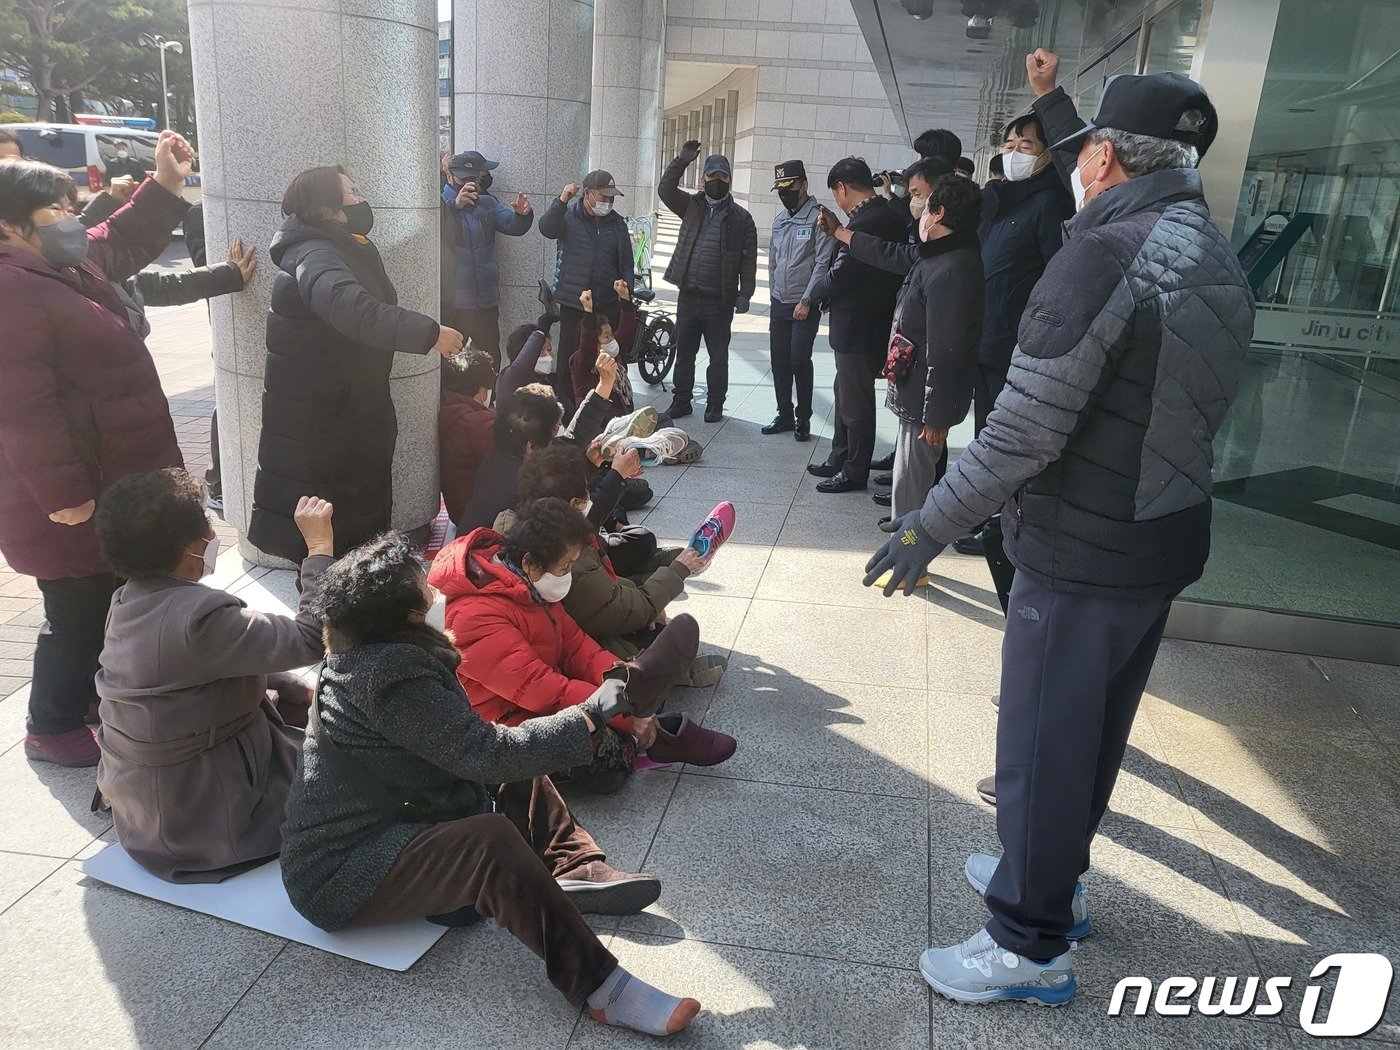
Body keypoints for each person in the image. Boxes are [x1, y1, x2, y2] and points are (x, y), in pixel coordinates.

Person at [866, 60, 1251, 1006]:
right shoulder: (1213, 249)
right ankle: (1051, 883)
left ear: (1108, 157)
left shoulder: (1102, 255)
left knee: (1041, 745)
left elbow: (1024, 430)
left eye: (1081, 153)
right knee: (1092, 733)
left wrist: (928, 524)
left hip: (1084, 544)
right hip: (1160, 539)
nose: (1072, 167)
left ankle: (1026, 943)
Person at [279, 533, 701, 1037]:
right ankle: (600, 987)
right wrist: (587, 716)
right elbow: (487, 755)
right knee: (491, 837)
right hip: (338, 873)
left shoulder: (374, 653)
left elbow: (480, 750)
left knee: (523, 761)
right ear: (405, 616)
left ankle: (575, 867)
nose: (436, 595)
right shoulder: (390, 678)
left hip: (401, 815)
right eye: (425, 591)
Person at [0, 136, 194, 768]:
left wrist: (164, 184)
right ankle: (50, 726)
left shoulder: (55, 265)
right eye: (56, 207)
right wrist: (65, 497)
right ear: (10, 223)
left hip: (109, 479)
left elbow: (116, 239)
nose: (72, 216)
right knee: (75, 606)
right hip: (69, 491)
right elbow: (23, 409)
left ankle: (87, 699)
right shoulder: (11, 290)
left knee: (103, 596)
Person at [93, 471, 331, 881]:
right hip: (202, 822)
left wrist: (288, 683)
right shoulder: (201, 617)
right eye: (206, 525)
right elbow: (313, 637)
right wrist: (320, 548)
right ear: (188, 549)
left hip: (144, 811)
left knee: (291, 700)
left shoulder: (127, 599)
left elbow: (198, 664)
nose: (212, 535)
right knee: (357, 766)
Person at [249, 165, 464, 562]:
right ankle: (327, 617)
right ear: (329, 207)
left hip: (345, 416)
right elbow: (354, 310)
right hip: (324, 430)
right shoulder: (317, 254)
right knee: (329, 549)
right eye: (351, 190)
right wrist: (431, 335)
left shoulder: (340, 245)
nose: (360, 196)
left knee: (351, 545)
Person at [431, 498, 713, 790]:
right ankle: (652, 731)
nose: (567, 575)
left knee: (631, 699)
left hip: (548, 695)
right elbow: (541, 689)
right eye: (564, 567)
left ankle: (643, 708)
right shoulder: (474, 617)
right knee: (609, 759)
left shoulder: (529, 586)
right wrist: (623, 715)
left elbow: (576, 646)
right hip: (506, 728)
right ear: (530, 562)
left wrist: (623, 681)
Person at [953, 110, 1074, 605]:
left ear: (1049, 153)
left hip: (1015, 346)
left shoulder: (1049, 203)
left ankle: (1008, 522)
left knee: (1011, 440)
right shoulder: (999, 200)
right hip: (985, 340)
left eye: (1026, 143)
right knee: (987, 434)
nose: (1014, 150)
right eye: (1009, 142)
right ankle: (991, 518)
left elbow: (1056, 278)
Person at [833, 174, 984, 520]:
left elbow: (947, 351)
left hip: (925, 400)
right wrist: (842, 234)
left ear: (940, 213)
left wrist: (937, 414)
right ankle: (905, 548)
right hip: (916, 390)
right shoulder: (937, 255)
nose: (917, 210)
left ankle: (909, 560)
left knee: (912, 481)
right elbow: (890, 254)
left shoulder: (951, 270)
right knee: (908, 477)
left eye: (922, 201)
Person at [805, 157, 907, 493]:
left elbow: (842, 274)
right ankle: (840, 456)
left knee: (856, 402)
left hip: (860, 326)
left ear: (842, 188)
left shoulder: (868, 220)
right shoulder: (879, 215)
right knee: (845, 394)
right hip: (865, 323)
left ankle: (853, 469)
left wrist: (810, 296)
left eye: (836, 193)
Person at [658, 142, 758, 423]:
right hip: (689, 295)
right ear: (703, 178)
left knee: (718, 357)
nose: (717, 181)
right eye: (712, 176)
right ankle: (681, 401)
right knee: (684, 353)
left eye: (722, 177)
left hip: (719, 300)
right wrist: (681, 161)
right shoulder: (690, 206)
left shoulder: (741, 218)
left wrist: (745, 293)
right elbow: (665, 189)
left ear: (729, 180)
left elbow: (749, 260)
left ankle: (715, 404)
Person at [763, 159, 836, 442]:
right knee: (779, 362)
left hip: (804, 304)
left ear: (804, 185)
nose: (785, 193)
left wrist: (807, 300)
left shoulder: (818, 217)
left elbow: (821, 262)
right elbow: (773, 260)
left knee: (798, 360)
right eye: (780, 189)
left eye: (789, 187)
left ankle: (803, 418)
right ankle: (784, 413)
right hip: (779, 302)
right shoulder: (780, 219)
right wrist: (772, 293)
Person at [539, 170, 635, 384]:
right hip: (575, 303)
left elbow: (627, 262)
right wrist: (562, 200)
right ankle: (567, 403)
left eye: (611, 198)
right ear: (588, 193)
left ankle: (604, 399)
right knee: (569, 357)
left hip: (607, 303)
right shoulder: (568, 216)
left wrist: (627, 292)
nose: (608, 202)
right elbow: (546, 228)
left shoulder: (617, 223)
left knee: (606, 356)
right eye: (604, 197)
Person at [441, 150, 533, 365]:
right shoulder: (441, 204)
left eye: (474, 178)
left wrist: (522, 214)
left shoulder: (487, 203)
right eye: (465, 178)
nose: (470, 183)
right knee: (452, 359)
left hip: (485, 300)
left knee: (490, 357)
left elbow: (512, 225)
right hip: (454, 301)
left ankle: (489, 398)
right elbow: (439, 238)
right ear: (450, 177)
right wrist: (454, 207)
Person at [439, 349, 499, 525]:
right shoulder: (476, 421)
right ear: (481, 389)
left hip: (459, 510)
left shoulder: (449, 408)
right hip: (479, 516)